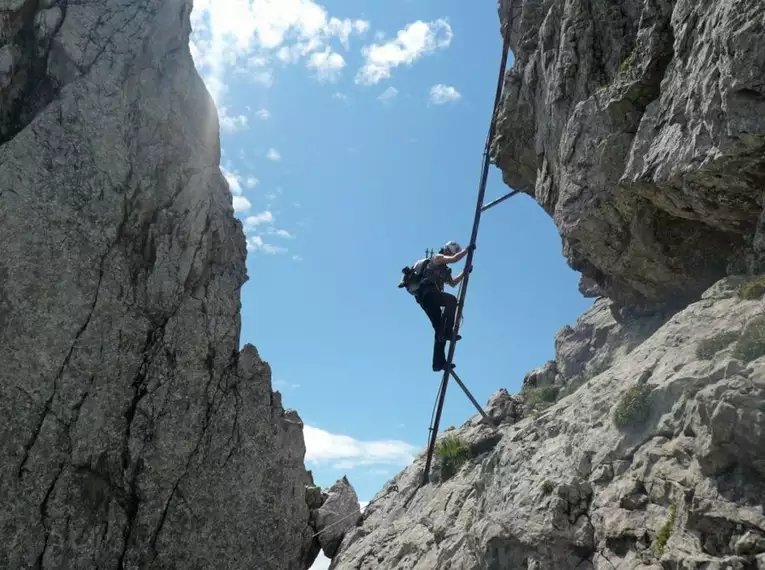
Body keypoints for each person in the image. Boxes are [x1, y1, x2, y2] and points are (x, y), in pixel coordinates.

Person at [414, 241, 475, 372]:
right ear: (446, 250)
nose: (450, 255)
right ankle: (448, 331)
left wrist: (464, 273)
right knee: (452, 300)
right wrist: (467, 250)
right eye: (450, 252)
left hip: (430, 300)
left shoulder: (445, 270)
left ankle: (438, 363)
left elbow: (452, 283)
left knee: (439, 330)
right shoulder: (437, 258)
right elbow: (455, 258)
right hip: (428, 294)